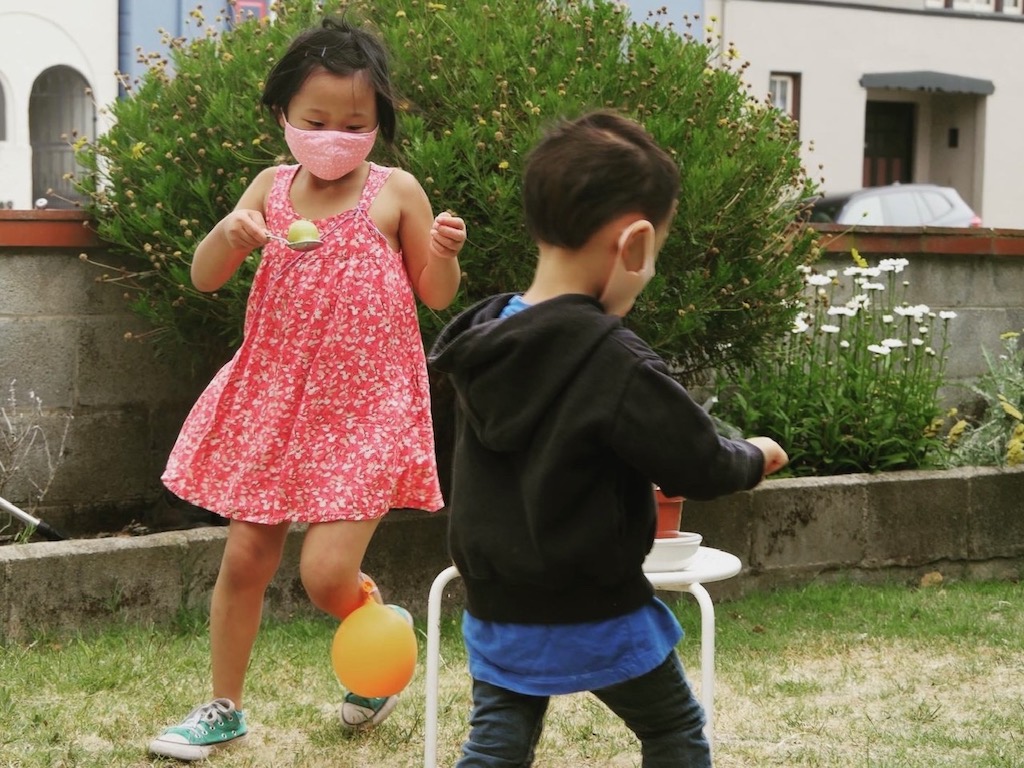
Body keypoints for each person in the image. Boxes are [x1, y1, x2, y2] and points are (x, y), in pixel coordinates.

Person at [148, 16, 466, 762]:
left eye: (354, 121)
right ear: (283, 115)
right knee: (246, 560)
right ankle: (224, 706)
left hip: (366, 408)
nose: (334, 134)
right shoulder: (269, 188)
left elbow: (438, 295)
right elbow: (205, 277)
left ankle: (376, 638)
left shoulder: (397, 193)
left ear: (378, 124)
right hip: (275, 398)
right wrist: (227, 236)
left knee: (327, 578)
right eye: (315, 119)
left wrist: (445, 251)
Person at [428, 110, 788, 768]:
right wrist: (754, 457)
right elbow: (698, 463)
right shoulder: (613, 361)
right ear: (636, 245)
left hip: (497, 607)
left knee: (499, 739)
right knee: (674, 730)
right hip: (592, 608)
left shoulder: (483, 343)